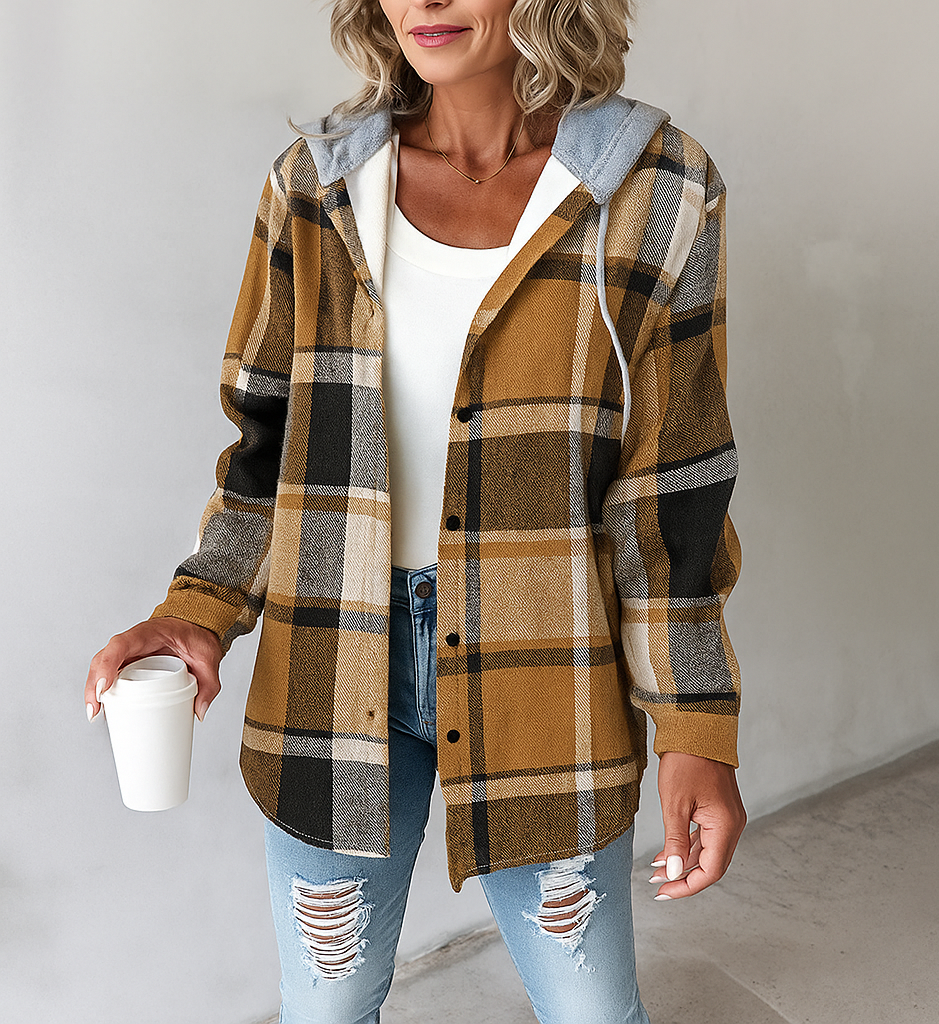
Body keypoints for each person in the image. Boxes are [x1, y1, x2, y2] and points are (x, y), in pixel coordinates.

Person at [85, 0, 746, 1020]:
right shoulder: (314, 187)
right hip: (333, 656)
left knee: (591, 1010)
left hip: (548, 670)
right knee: (327, 1004)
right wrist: (197, 609)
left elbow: (672, 489)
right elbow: (266, 446)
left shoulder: (659, 189)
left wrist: (694, 725)